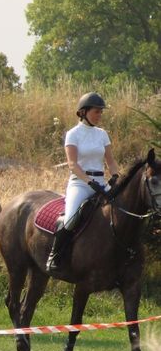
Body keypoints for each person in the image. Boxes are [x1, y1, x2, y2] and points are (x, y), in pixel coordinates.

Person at [46, 92, 120, 272]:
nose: (99, 115)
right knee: (71, 218)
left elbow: (110, 161)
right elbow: (72, 164)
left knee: (120, 211)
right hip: (80, 183)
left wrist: (116, 176)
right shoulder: (73, 134)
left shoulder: (102, 134)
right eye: (97, 112)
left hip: (101, 181)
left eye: (101, 112)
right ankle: (54, 256)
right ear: (83, 112)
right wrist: (88, 182)